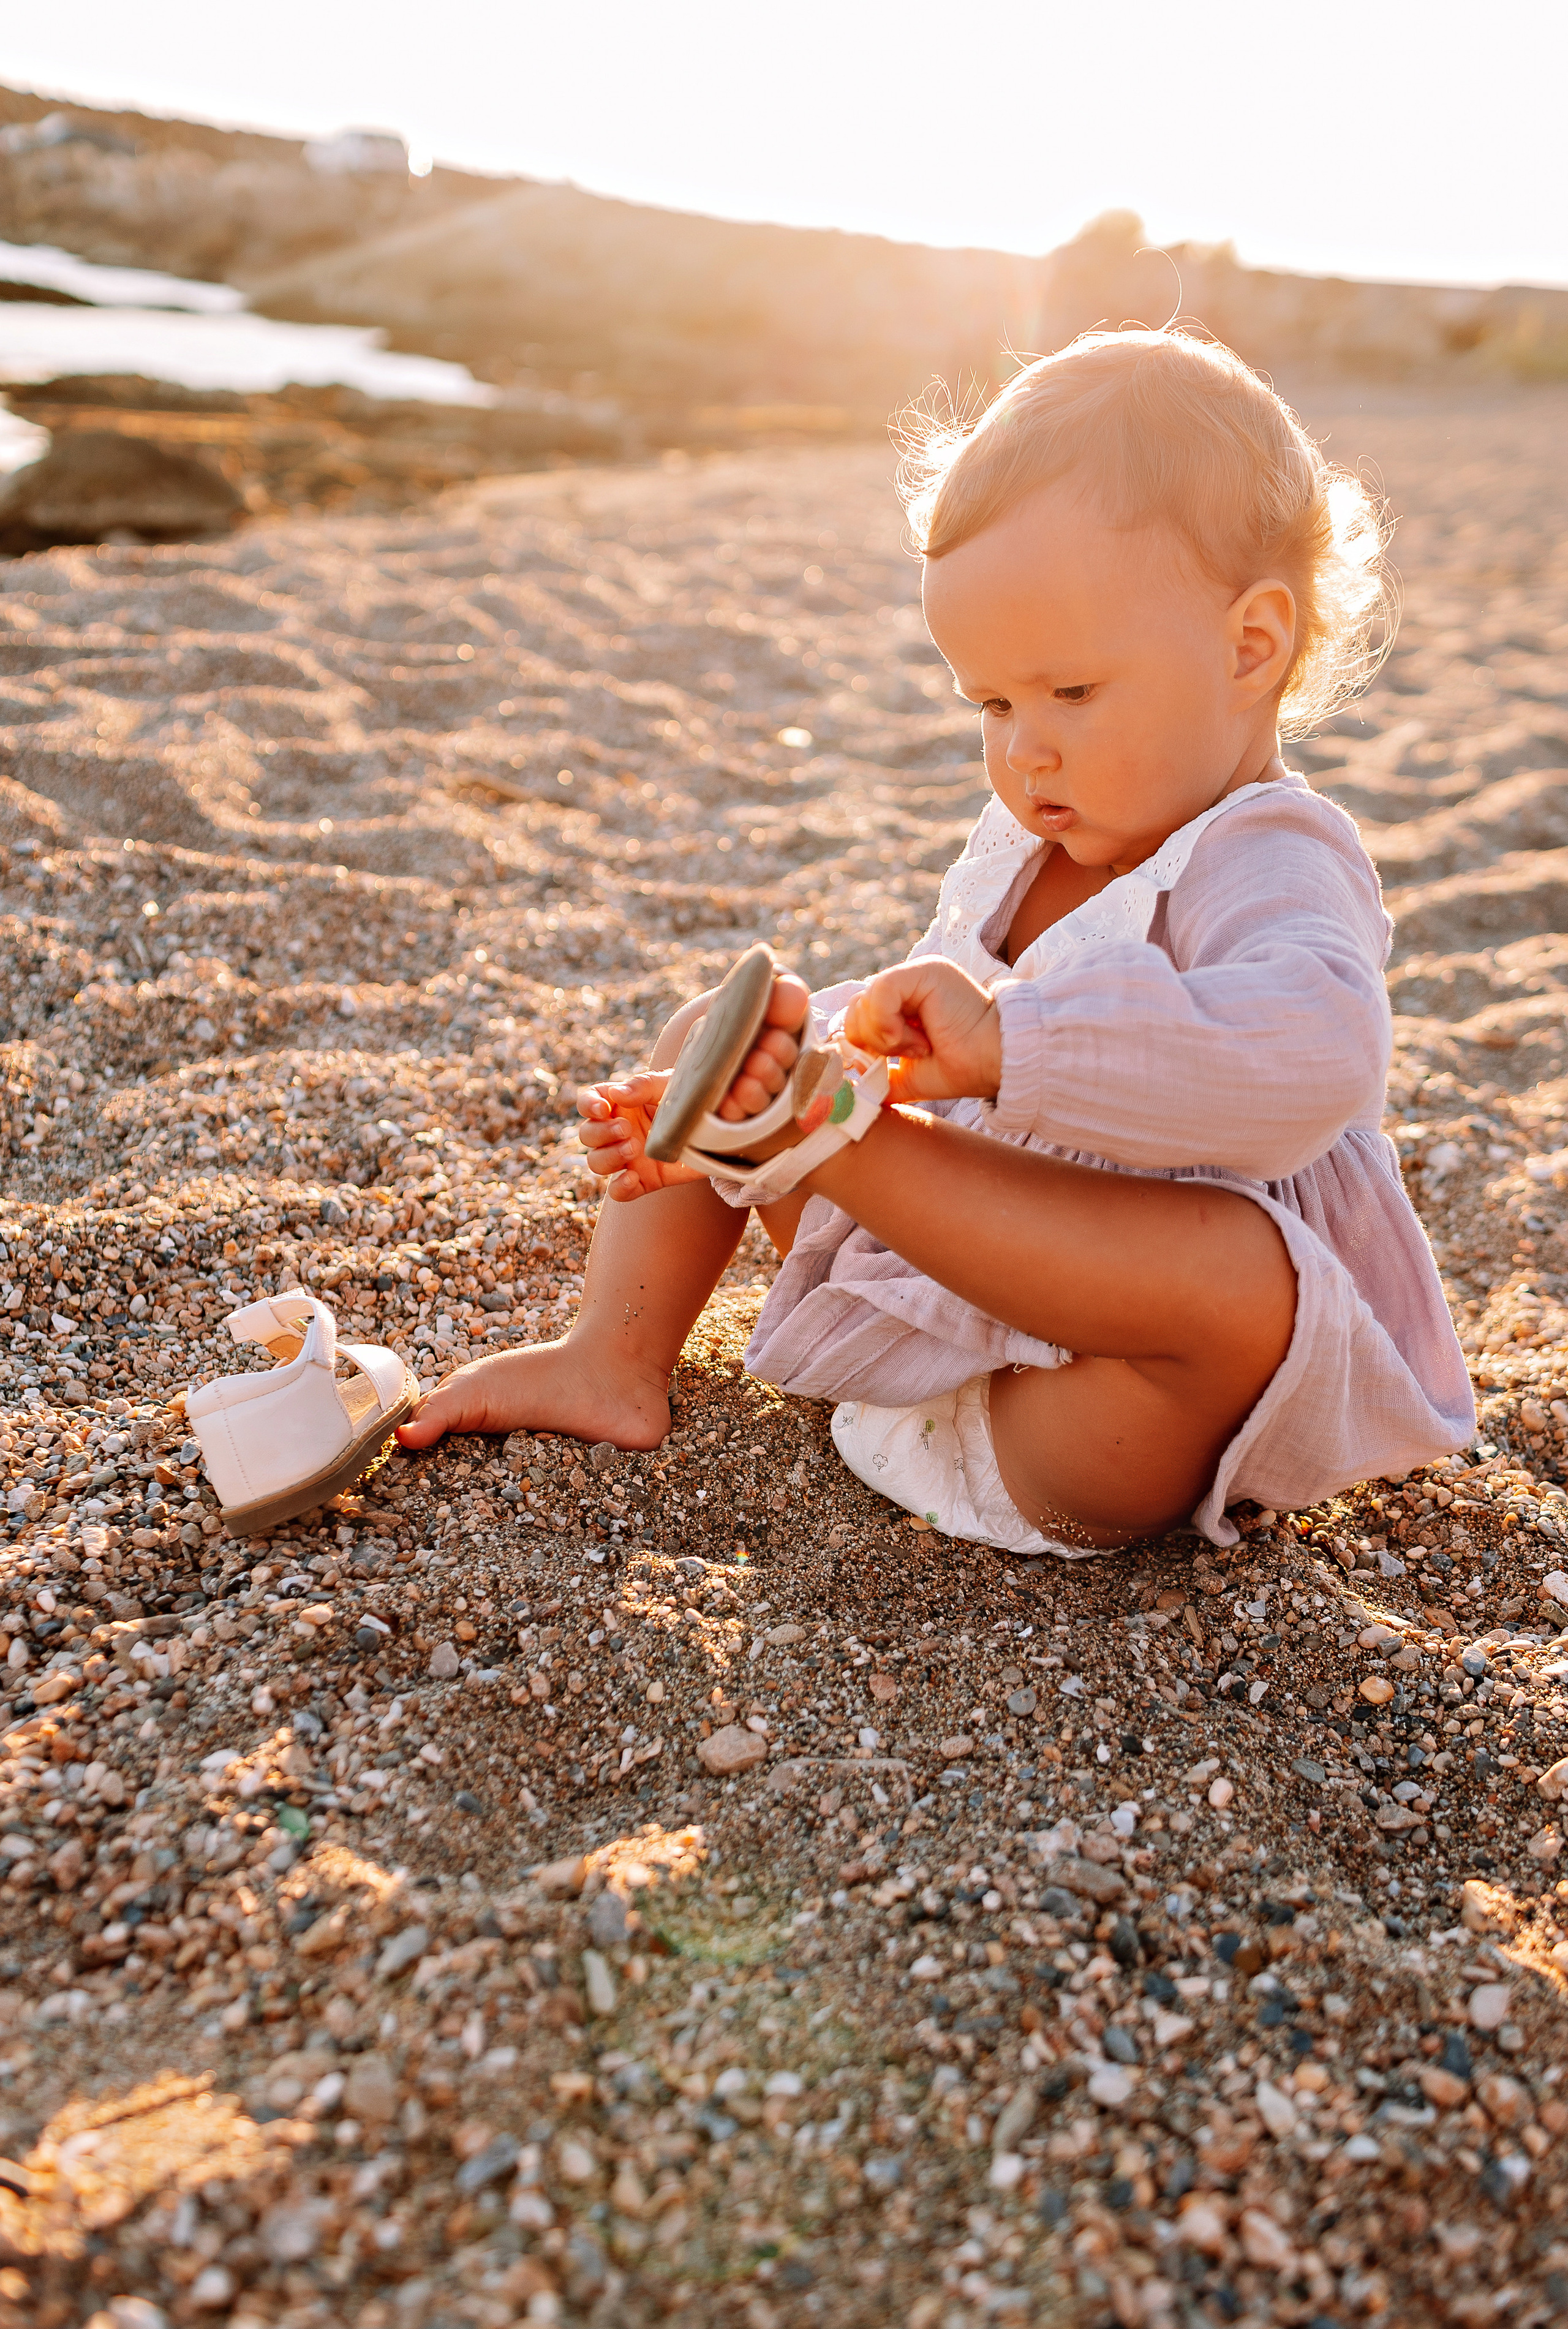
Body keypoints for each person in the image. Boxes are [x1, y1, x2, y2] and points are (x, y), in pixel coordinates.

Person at [396, 328, 1474, 1554]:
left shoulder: (1272, 852)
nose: (1024, 750)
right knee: (728, 1026)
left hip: (1081, 1422)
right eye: (992, 703)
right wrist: (756, 1088)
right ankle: (615, 1354)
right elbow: (926, 1055)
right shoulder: (1035, 831)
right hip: (901, 1329)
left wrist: (1008, 1044)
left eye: (1071, 693)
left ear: (1249, 646)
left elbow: (1314, 1058)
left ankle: (813, 1131)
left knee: (1246, 1277)